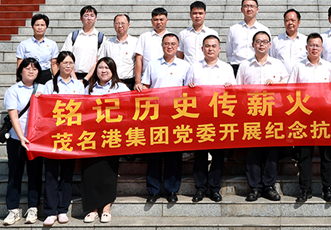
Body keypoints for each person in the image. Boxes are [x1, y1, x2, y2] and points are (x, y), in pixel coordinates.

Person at [288, 33, 331, 203]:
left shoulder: (329, 67)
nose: (314, 48)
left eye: (317, 45)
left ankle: (327, 189)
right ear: (306, 47)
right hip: (304, 115)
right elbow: (290, 90)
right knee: (305, 155)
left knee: (327, 155)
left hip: (325, 115)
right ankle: (305, 189)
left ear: (322, 48)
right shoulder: (298, 68)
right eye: (311, 45)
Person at [236, 31, 288, 202]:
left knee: (272, 151)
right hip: (252, 113)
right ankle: (255, 187)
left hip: (273, 113)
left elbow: (288, 85)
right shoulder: (245, 65)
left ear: (269, 45)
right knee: (253, 151)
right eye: (258, 41)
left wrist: (276, 84)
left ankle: (269, 186)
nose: (261, 45)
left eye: (265, 42)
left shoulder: (277, 64)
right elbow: (238, 89)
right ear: (253, 45)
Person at [185, 35, 236, 203]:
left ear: (220, 49)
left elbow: (235, 92)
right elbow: (185, 91)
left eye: (214, 46)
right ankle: (200, 188)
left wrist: (230, 88)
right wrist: (190, 88)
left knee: (218, 155)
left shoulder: (226, 68)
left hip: (220, 116)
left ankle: (214, 188)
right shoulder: (194, 67)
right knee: (200, 154)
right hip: (199, 117)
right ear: (202, 49)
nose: (210, 49)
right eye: (207, 46)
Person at [142, 33, 191, 204]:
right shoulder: (152, 64)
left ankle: (172, 189)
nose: (169, 47)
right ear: (162, 45)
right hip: (156, 115)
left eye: (173, 44)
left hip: (177, 115)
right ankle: (153, 190)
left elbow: (189, 90)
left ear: (178, 47)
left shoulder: (185, 65)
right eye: (166, 44)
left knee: (174, 155)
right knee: (154, 154)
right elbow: (146, 86)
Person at [81, 57, 130, 224]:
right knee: (90, 171)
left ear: (113, 70)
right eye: (100, 67)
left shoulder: (121, 87)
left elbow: (129, 109)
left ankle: (106, 207)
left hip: (112, 135)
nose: (103, 70)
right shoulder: (89, 88)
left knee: (108, 171)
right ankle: (93, 209)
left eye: (107, 68)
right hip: (91, 136)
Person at [41, 51, 85, 226]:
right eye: (65, 63)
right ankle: (50, 211)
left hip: (71, 135)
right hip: (52, 135)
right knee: (51, 173)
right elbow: (43, 108)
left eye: (71, 63)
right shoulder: (48, 84)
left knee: (67, 173)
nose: (68, 66)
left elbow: (83, 108)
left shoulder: (79, 85)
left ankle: (62, 210)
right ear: (57, 65)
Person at [2, 58, 43, 225]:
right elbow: (14, 117)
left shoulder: (43, 89)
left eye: (34, 68)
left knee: (35, 174)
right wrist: (21, 137)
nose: (31, 71)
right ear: (20, 71)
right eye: (27, 68)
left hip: (36, 140)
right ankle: (12, 210)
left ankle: (33, 208)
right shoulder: (13, 90)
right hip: (16, 139)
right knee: (15, 174)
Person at [226, 0, 271, 75]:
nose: (249, 9)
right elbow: (229, 51)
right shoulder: (233, 29)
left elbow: (268, 50)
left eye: (252, 6)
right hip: (236, 67)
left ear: (257, 10)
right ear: (241, 9)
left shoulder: (264, 29)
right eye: (246, 6)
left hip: (255, 66)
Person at [61, 5, 104, 81]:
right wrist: (75, 78)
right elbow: (66, 58)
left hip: (92, 78)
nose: (89, 18)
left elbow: (99, 61)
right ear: (81, 18)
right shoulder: (73, 35)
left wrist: (86, 79)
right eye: (86, 15)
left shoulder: (101, 37)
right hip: (72, 76)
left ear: (96, 18)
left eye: (92, 15)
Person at [133, 7, 171, 91]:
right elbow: (139, 59)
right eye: (156, 19)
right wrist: (137, 81)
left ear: (167, 20)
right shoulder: (144, 37)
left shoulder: (172, 37)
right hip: (147, 81)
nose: (159, 22)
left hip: (168, 79)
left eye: (161, 19)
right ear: (151, 21)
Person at [15, 14, 58, 84]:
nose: (40, 28)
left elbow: (54, 65)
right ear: (32, 26)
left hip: (45, 76)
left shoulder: (52, 44)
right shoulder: (24, 44)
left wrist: (57, 81)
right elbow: (19, 65)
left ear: (46, 27)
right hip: (29, 75)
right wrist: (19, 80)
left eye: (42, 25)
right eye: (37, 25)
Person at [98, 14, 138, 89]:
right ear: (114, 25)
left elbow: (139, 62)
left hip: (129, 82)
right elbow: (101, 62)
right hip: (111, 82)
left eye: (123, 23)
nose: (120, 26)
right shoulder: (108, 43)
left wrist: (138, 81)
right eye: (117, 23)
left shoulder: (135, 42)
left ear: (128, 25)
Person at [269, 9, 307, 73]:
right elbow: (271, 59)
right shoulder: (277, 40)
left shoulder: (305, 40)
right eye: (287, 20)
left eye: (293, 20)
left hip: (301, 77)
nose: (290, 23)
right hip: (281, 78)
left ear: (299, 22)